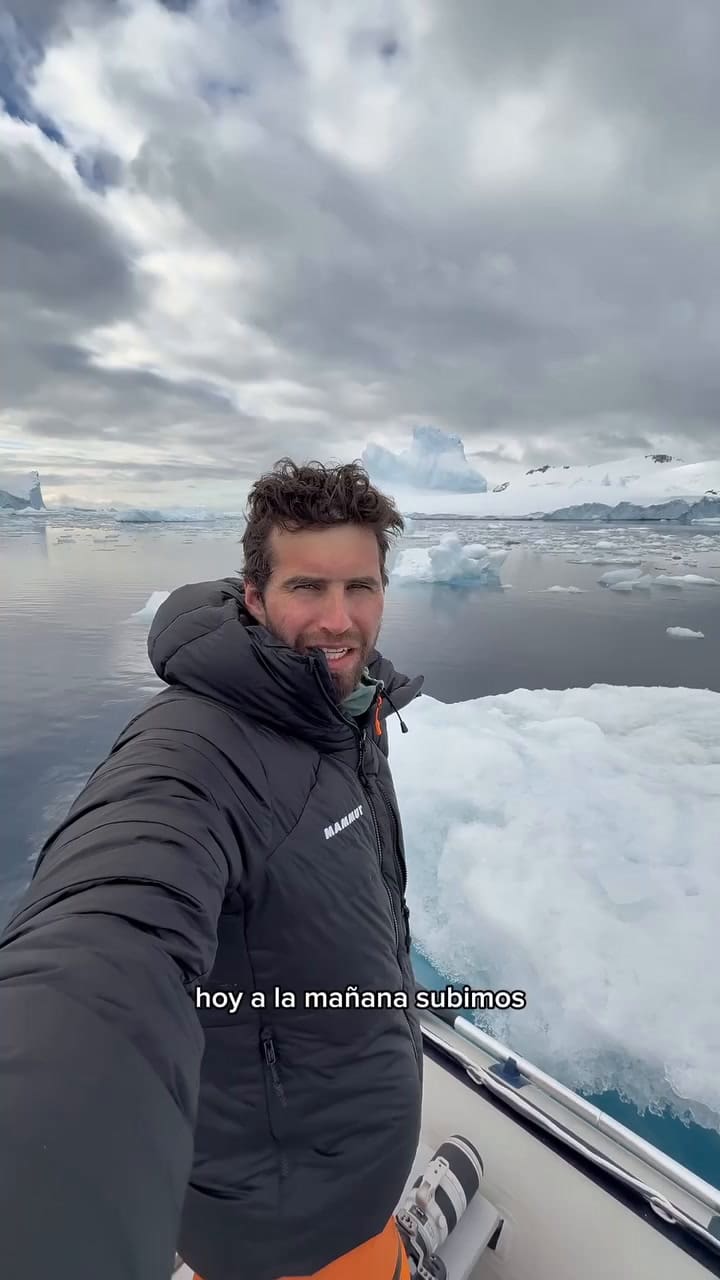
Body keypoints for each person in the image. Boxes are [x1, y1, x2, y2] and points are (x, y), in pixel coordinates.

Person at [0, 458, 426, 1280]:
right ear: (256, 595)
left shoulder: (345, 709)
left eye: (361, 587)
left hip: (342, 1166)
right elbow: (111, 928)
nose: (340, 621)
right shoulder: (195, 749)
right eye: (308, 588)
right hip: (284, 1220)